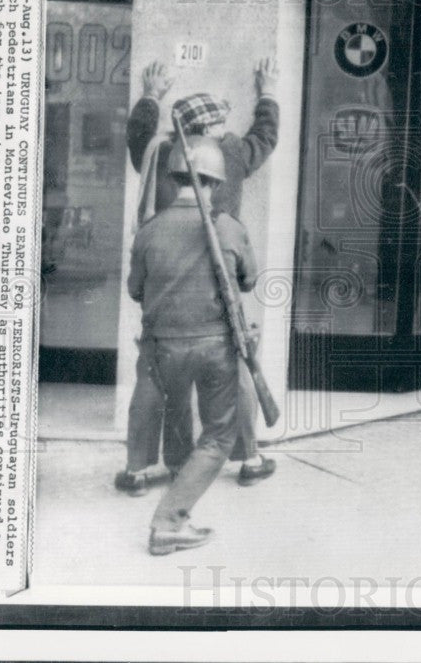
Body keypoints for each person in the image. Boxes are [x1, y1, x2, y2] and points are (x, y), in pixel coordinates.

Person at [114, 58, 279, 496]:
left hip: (165, 317)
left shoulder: (159, 157)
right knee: (238, 375)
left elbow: (137, 140)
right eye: (220, 122)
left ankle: (142, 470)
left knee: (155, 384)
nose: (225, 128)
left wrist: (150, 96)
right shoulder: (231, 157)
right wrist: (267, 94)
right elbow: (265, 137)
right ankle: (250, 458)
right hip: (215, 306)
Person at [129, 135, 258, 555]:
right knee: (219, 436)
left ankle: (176, 496)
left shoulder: (149, 232)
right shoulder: (227, 227)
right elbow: (248, 280)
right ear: (215, 184)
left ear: (174, 178)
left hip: (163, 350)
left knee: (177, 417)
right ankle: (169, 520)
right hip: (214, 349)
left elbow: (135, 290)